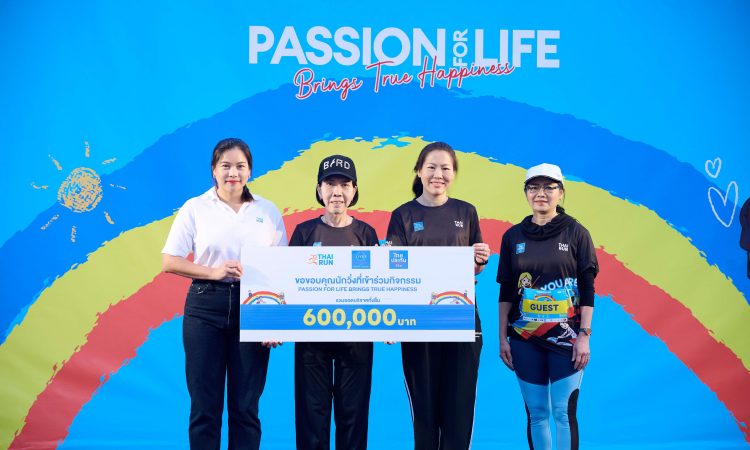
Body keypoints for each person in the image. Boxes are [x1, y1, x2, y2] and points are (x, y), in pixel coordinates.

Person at [161, 137, 288, 450]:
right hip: (205, 307)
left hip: (254, 308)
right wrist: (213, 271)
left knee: (246, 408)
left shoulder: (267, 211)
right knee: (205, 408)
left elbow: (282, 268)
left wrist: (274, 322)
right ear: (214, 170)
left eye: (240, 166)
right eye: (226, 166)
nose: (233, 173)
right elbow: (170, 261)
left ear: (250, 171)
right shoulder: (195, 208)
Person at [386, 141, 491, 450]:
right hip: (417, 323)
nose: (438, 174)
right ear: (419, 171)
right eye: (431, 167)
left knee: (459, 410)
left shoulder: (466, 211)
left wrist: (479, 259)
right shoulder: (403, 215)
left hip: (462, 320)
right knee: (425, 411)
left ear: (453, 173)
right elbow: (393, 268)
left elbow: (475, 267)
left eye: (445, 168)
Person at [496, 163, 598, 450]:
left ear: (561, 193)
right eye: (533, 187)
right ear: (526, 193)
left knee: (563, 413)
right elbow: (506, 291)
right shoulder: (513, 237)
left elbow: (588, 289)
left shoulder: (577, 233)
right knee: (537, 414)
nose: (540, 193)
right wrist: (502, 338)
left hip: (567, 339)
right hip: (524, 338)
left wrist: (584, 336)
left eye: (548, 187)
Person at [290, 154, 379, 450]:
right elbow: (287, 283)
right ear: (319, 189)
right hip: (311, 336)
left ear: (354, 190)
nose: (337, 192)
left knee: (353, 415)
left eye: (344, 184)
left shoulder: (366, 234)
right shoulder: (304, 232)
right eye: (330, 184)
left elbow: (381, 286)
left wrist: (389, 322)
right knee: (311, 416)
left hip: (356, 337)